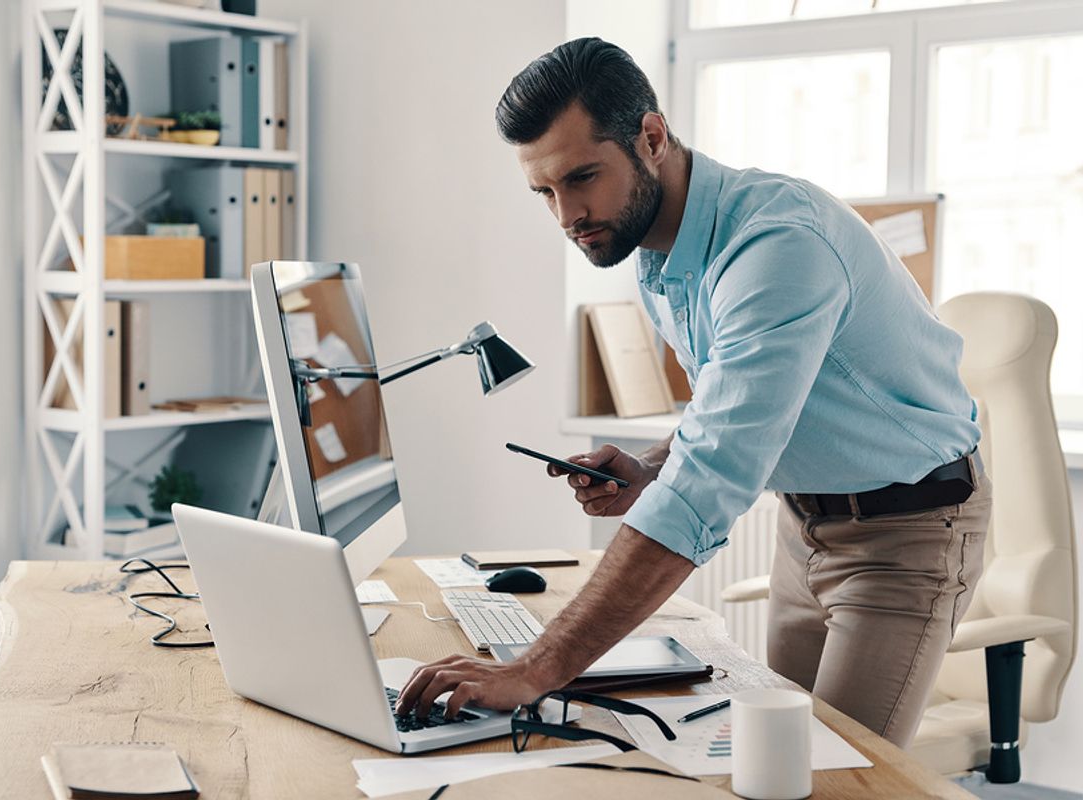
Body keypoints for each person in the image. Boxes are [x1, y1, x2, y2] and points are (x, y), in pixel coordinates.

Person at [396, 37, 991, 748]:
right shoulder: (655, 249)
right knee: (773, 767)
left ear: (651, 135)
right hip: (803, 527)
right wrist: (654, 466)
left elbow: (709, 482)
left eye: (583, 176)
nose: (567, 215)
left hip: (909, 532)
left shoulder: (777, 245)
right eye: (545, 192)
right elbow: (729, 404)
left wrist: (538, 666)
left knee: (841, 776)